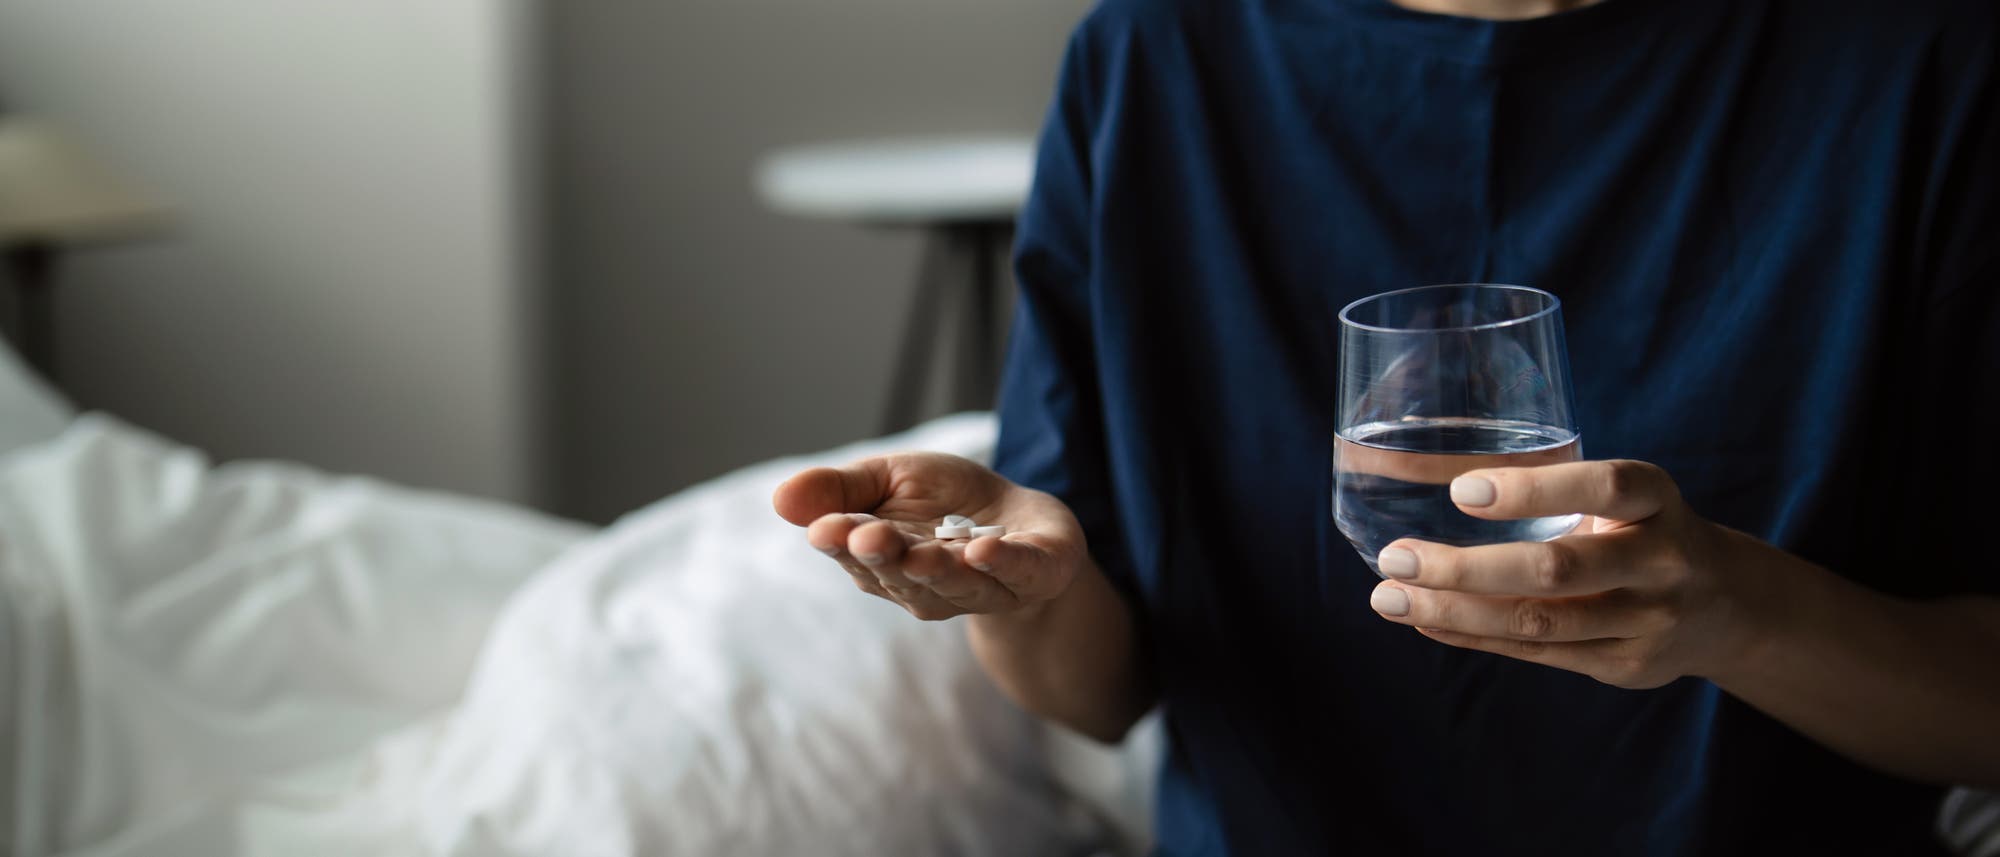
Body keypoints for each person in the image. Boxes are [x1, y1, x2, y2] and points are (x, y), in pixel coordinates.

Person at [772, 0, 2000, 852]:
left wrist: (1745, 611)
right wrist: (1024, 591)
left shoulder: (1922, 65)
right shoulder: (1152, 60)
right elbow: (1097, 693)